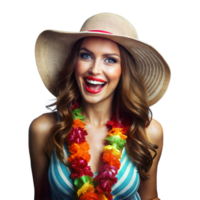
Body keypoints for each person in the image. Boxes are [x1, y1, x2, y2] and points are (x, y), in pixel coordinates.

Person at [28, 12, 172, 200]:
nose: (95, 70)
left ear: (124, 71)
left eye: (110, 59)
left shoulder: (148, 131)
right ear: (74, 63)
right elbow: (40, 198)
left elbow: (150, 197)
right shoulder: (44, 129)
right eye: (86, 55)